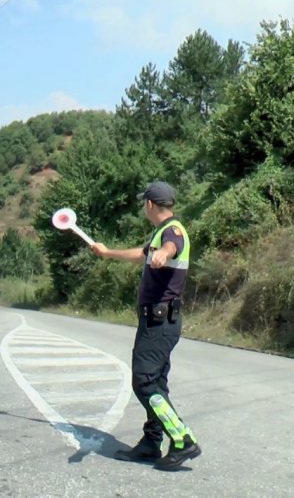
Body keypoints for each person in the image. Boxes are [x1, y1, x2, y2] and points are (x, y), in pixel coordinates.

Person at [88, 181, 200, 471]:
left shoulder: (172, 232)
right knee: (157, 383)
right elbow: (142, 253)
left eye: (143, 203)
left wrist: (164, 254)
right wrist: (106, 252)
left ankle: (182, 440)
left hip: (160, 321)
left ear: (150, 204)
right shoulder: (161, 232)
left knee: (145, 382)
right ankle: (151, 441)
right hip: (159, 321)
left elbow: (170, 246)